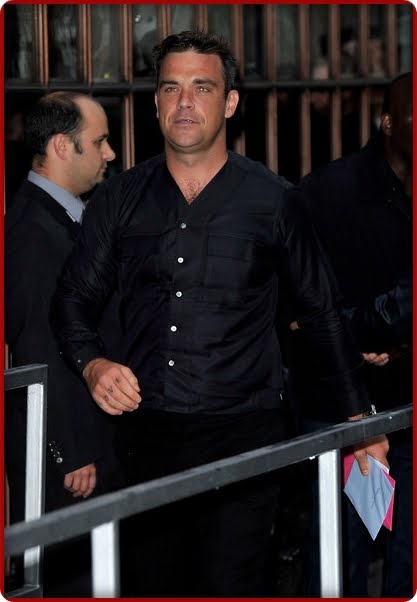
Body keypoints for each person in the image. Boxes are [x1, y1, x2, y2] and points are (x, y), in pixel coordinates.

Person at [50, 31, 388, 597]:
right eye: (171, 88)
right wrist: (93, 365)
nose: (185, 102)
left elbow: (322, 313)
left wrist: (361, 422)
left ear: (229, 102)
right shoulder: (118, 199)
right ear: (155, 102)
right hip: (147, 439)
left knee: (230, 585)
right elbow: (71, 301)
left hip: (246, 441)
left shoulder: (276, 201)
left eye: (202, 88)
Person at [288, 72, 412, 596]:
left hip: (407, 393)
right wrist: (353, 338)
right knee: (338, 557)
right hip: (338, 399)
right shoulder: (327, 192)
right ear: (388, 122)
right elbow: (296, 304)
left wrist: (395, 340)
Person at [5, 91, 121, 596]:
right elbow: (37, 347)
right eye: (99, 142)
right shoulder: (31, 232)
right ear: (60, 146)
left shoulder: (61, 217)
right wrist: (71, 452)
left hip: (90, 442)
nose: (110, 153)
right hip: (70, 459)